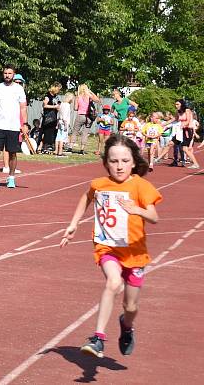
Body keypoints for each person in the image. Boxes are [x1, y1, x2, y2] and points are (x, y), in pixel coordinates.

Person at [60, 134, 161, 358]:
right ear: (106, 163)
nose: (119, 166)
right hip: (107, 248)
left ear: (134, 162)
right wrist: (73, 224)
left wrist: (138, 210)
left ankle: (126, 326)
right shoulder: (99, 184)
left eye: (125, 161)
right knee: (113, 283)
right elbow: (86, 198)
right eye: (114, 161)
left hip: (135, 253)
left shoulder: (140, 186)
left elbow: (154, 217)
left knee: (131, 307)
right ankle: (98, 338)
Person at [0, 65, 28, 189]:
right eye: (5, 73)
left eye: (10, 73)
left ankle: (11, 178)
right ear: (3, 74)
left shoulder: (19, 89)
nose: (7, 75)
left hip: (13, 127)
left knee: (13, 153)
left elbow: (23, 107)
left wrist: (24, 124)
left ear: (13, 74)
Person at [69, 84, 101, 153]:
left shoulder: (78, 97)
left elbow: (75, 108)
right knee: (85, 133)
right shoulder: (89, 96)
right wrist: (91, 92)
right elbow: (98, 100)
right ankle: (82, 149)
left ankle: (70, 147)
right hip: (89, 116)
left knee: (75, 132)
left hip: (80, 115)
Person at [174, 99, 199, 169]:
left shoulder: (187, 111)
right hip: (181, 131)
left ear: (182, 104)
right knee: (183, 148)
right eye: (175, 104)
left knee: (185, 148)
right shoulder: (178, 112)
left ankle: (195, 164)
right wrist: (164, 124)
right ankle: (194, 163)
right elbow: (174, 119)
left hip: (187, 131)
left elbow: (188, 120)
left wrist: (183, 125)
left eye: (177, 104)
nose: (176, 106)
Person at [39, 82, 62, 152]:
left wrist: (58, 107)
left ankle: (48, 146)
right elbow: (44, 105)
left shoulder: (56, 96)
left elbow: (57, 104)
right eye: (58, 89)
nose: (59, 90)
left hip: (54, 117)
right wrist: (54, 107)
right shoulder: (48, 95)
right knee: (46, 132)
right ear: (55, 88)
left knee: (51, 132)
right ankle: (43, 147)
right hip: (48, 117)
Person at [55, 92, 73, 157]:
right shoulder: (67, 105)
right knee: (62, 138)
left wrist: (57, 123)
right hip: (64, 123)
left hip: (59, 122)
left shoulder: (62, 104)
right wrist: (65, 125)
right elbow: (65, 116)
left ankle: (56, 151)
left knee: (58, 137)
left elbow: (59, 114)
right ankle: (60, 152)